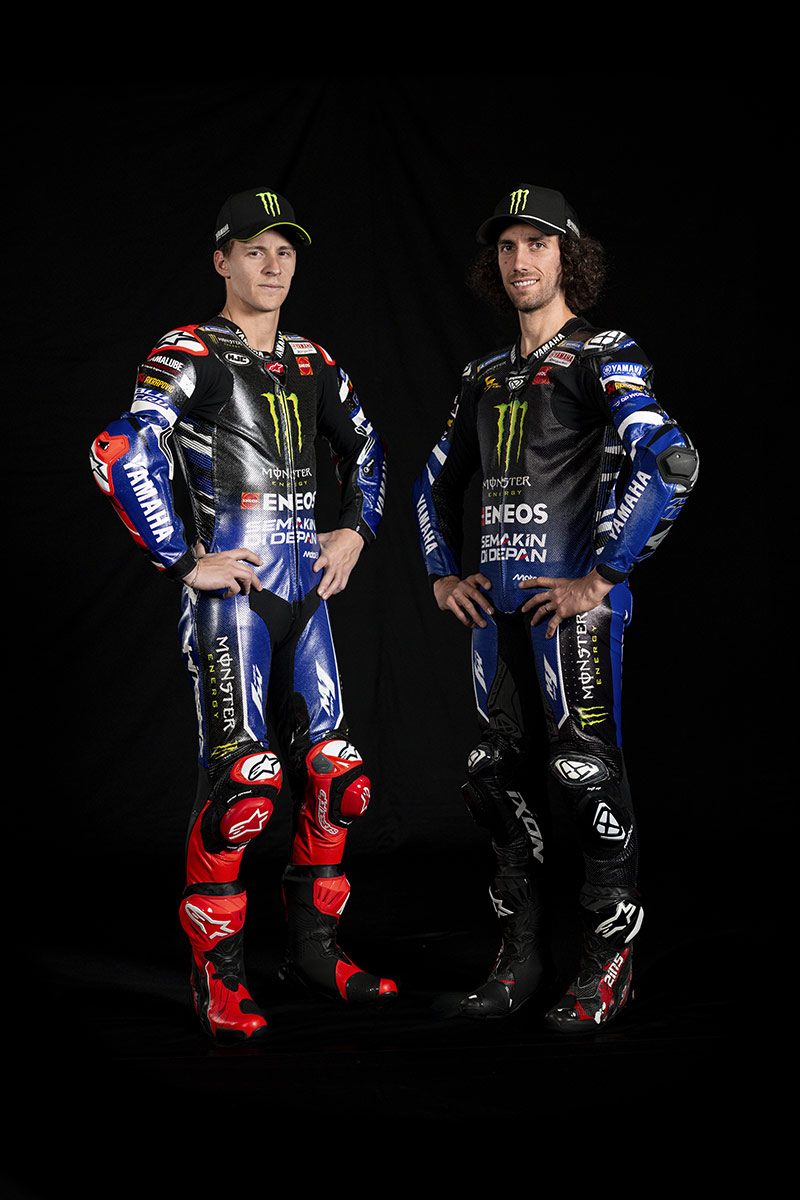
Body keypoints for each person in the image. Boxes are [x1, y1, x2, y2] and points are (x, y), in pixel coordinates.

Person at [90, 186, 396, 1044]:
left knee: (339, 777)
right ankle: (216, 978)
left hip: (308, 601)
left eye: (284, 251)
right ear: (221, 260)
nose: (272, 265)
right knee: (245, 788)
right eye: (254, 250)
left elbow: (368, 451)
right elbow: (119, 450)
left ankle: (313, 953)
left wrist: (355, 530)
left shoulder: (313, 359)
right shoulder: (188, 350)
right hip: (235, 608)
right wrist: (184, 560)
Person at [413, 183, 698, 1032]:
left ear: (568, 256)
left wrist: (603, 576)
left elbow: (672, 461)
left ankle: (609, 967)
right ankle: (518, 962)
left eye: (537, 244)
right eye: (506, 246)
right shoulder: (483, 374)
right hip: (495, 615)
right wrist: (443, 573)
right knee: (493, 780)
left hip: (576, 618)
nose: (520, 260)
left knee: (585, 777)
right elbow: (433, 485)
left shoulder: (603, 353)